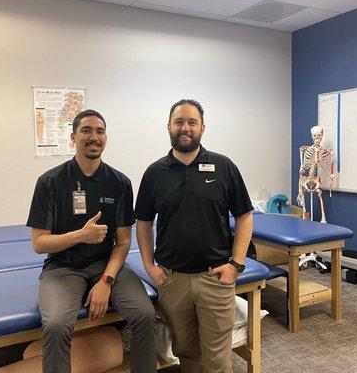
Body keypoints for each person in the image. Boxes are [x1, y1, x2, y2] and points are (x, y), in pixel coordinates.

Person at [27, 109, 156, 373]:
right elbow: (39, 243)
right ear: (73, 137)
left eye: (99, 131)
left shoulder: (119, 183)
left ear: (105, 138)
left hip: (107, 265)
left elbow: (122, 243)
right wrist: (80, 236)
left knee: (144, 315)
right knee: (55, 326)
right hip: (63, 267)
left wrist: (106, 281)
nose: (93, 136)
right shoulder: (50, 182)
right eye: (86, 130)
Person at [135, 99, 254, 372]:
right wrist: (148, 265)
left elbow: (244, 216)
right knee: (185, 353)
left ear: (203, 127)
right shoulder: (154, 173)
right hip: (172, 279)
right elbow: (143, 222)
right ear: (168, 127)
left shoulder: (224, 167)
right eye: (179, 122)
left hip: (215, 278)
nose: (185, 128)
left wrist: (236, 264)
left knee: (217, 360)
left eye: (192, 122)